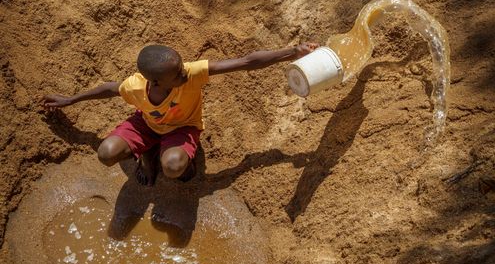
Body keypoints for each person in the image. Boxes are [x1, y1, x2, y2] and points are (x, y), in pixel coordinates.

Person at [43, 42, 319, 186]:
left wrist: (292, 52)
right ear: (155, 82)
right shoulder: (135, 87)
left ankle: (170, 159)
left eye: (182, 67)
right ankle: (145, 155)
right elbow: (107, 90)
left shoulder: (193, 74)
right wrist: (70, 100)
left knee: (175, 167)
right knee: (106, 153)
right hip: (147, 125)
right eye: (177, 74)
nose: (184, 72)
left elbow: (246, 62)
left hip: (183, 127)